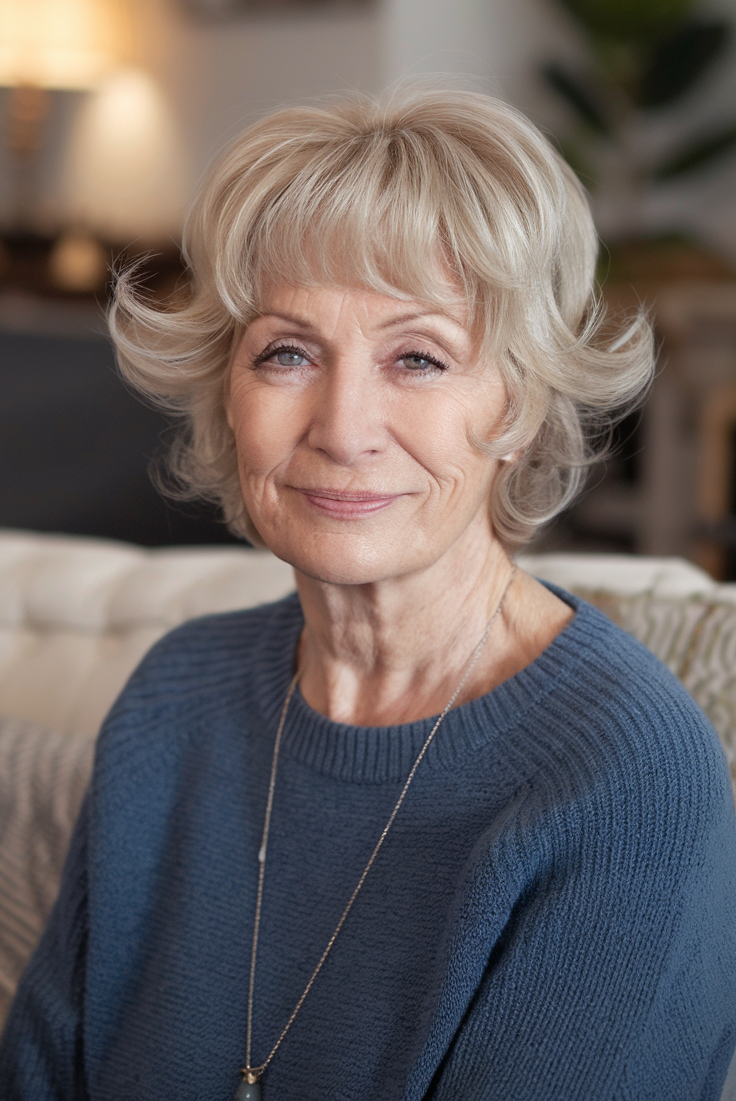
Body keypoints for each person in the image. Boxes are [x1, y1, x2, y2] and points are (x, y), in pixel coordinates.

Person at [1, 90, 735, 1101]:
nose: (343, 426)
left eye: (417, 358)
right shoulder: (175, 701)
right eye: (288, 352)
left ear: (516, 405)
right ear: (230, 390)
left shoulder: (623, 779)